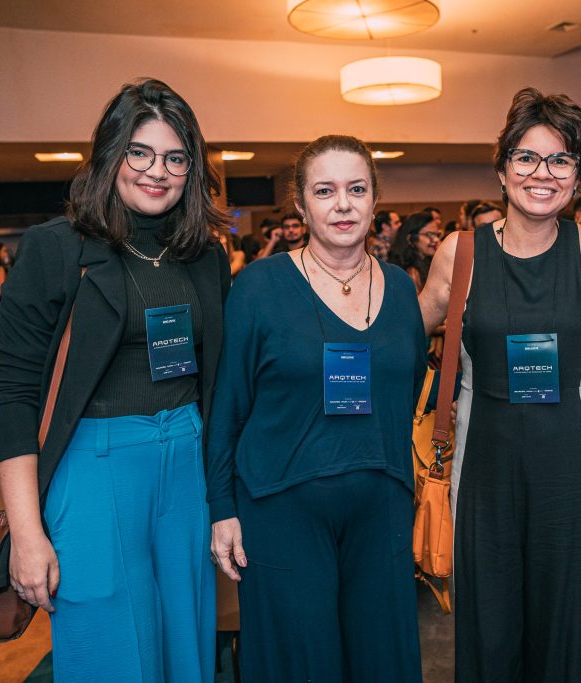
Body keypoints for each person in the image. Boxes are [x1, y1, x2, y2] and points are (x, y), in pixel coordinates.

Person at [0, 78, 230, 681]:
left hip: (187, 466)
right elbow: (15, 395)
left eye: (176, 158)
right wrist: (25, 533)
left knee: (188, 642)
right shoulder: (56, 248)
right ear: (109, 155)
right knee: (111, 651)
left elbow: (219, 376)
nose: (158, 171)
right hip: (94, 466)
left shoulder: (203, 255)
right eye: (140, 153)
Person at [208, 134, 426, 682]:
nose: (343, 204)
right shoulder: (258, 288)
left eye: (356, 189)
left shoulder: (400, 289)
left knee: (383, 660)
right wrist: (220, 508)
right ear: (301, 206)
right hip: (282, 509)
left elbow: (408, 391)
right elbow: (226, 405)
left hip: (383, 508)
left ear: (375, 201)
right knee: (299, 664)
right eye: (324, 191)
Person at [420, 87, 581, 682]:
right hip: (485, 467)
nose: (542, 174)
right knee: (490, 624)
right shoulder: (461, 253)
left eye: (561, 160)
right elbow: (400, 330)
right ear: (502, 168)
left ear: (578, 176)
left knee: (571, 621)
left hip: (575, 463)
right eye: (526, 158)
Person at [388, 210, 442, 292]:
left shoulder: (428, 261)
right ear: (411, 238)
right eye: (429, 234)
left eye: (437, 235)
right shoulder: (411, 272)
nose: (435, 240)